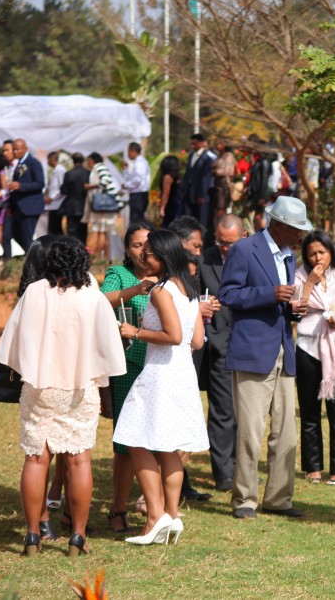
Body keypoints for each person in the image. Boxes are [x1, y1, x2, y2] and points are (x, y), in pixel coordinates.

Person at [0, 235, 127, 557]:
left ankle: (31, 535)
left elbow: (12, 343)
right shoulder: (92, 297)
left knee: (36, 458)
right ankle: (78, 537)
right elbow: (109, 347)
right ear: (84, 263)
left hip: (39, 387)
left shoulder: (34, 292)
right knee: (79, 459)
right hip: (80, 388)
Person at [114, 229, 209, 545]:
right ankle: (171, 515)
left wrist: (135, 332)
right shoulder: (189, 289)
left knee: (133, 438)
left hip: (159, 373)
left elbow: (174, 335)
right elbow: (196, 340)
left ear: (165, 256)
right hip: (181, 373)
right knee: (168, 447)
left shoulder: (161, 291)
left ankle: (155, 516)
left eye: (149, 253)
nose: (143, 257)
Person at [219, 195, 311, 519]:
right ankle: (244, 500)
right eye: (298, 228)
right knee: (250, 431)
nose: (302, 235)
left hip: (284, 352)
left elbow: (280, 305)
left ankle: (279, 499)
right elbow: (227, 294)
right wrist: (269, 294)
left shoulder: (288, 256)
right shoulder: (244, 249)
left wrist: (293, 309)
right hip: (252, 353)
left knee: (285, 432)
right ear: (281, 225)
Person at [100, 221, 157, 535]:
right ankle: (117, 508)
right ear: (127, 249)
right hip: (127, 364)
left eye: (148, 245)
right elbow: (100, 302)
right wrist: (137, 288)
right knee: (125, 441)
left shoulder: (167, 274)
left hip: (160, 364)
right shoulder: (117, 275)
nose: (143, 251)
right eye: (137, 246)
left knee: (160, 436)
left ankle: (154, 503)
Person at [293, 230, 335, 485]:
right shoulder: (301, 274)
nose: (317, 258)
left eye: (322, 252)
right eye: (312, 253)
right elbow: (296, 308)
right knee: (309, 410)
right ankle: (312, 467)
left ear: (331, 251)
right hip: (308, 346)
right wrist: (309, 281)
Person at [197, 213, 248, 491]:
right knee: (222, 411)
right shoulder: (206, 259)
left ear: (244, 236)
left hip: (249, 344)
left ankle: (243, 468)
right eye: (220, 242)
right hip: (219, 343)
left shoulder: (254, 257)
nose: (224, 248)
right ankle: (224, 472)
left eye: (229, 243)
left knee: (247, 411)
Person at [167, 215, 215, 502]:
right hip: (170, 361)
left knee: (184, 425)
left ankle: (179, 486)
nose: (199, 252)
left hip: (189, 357)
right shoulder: (164, 284)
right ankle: (162, 490)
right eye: (195, 246)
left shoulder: (192, 272)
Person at [6, 138, 45, 259]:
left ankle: (37, 260)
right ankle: (32, 255)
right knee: (14, 233)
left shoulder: (33, 163)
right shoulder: (19, 163)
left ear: (25, 149)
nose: (16, 152)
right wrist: (10, 206)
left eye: (18, 149)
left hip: (30, 206)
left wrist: (20, 186)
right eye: (14, 149)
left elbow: (40, 183)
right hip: (18, 206)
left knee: (26, 234)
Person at [82, 153, 120, 260]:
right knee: (104, 232)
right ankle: (106, 258)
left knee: (101, 231)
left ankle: (98, 258)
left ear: (92, 160)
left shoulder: (99, 167)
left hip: (102, 206)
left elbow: (105, 181)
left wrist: (90, 186)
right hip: (104, 206)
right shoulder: (99, 168)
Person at [181, 133, 215, 230]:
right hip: (189, 193)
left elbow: (205, 178)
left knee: (201, 221)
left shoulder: (207, 159)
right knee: (189, 221)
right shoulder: (191, 155)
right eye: (191, 144)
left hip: (200, 195)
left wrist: (202, 195)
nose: (192, 146)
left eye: (195, 144)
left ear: (201, 143)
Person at [61, 151, 89, 244]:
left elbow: (64, 190)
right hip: (84, 205)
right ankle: (83, 250)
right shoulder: (88, 173)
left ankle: (73, 250)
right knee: (83, 229)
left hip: (71, 205)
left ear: (73, 161)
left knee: (72, 230)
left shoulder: (69, 174)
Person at [122, 142, 151, 225]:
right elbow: (132, 178)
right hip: (138, 195)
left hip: (139, 196)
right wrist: (125, 171)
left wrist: (126, 186)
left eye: (128, 151)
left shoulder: (140, 163)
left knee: (136, 221)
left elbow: (137, 180)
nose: (128, 154)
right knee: (137, 220)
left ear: (133, 151)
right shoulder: (138, 162)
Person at [43, 150, 67, 236]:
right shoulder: (55, 170)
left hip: (57, 203)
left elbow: (62, 188)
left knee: (55, 228)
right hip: (53, 204)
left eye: (48, 160)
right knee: (52, 227)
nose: (47, 162)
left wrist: (52, 198)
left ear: (52, 159)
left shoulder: (60, 170)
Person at [157, 155, 183, 228]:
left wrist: (162, 208)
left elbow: (166, 194)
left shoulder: (167, 177)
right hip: (177, 203)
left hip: (171, 205)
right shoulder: (176, 176)